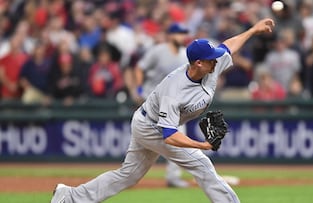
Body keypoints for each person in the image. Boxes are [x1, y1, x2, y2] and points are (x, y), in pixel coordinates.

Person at [50, 17, 275, 203]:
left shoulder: (210, 67)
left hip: (149, 121)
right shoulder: (174, 90)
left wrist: (254, 30)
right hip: (152, 127)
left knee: (127, 176)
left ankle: (68, 197)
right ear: (197, 63)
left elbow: (228, 46)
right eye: (210, 60)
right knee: (202, 164)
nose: (216, 61)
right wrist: (201, 145)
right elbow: (168, 135)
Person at [131, 23, 190, 188]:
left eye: (183, 33)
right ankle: (129, 175)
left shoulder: (185, 54)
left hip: (171, 105)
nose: (182, 36)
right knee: (142, 143)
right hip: (152, 101)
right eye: (178, 33)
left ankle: (173, 177)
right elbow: (139, 68)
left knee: (178, 139)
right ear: (170, 35)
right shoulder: (158, 51)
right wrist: (139, 87)